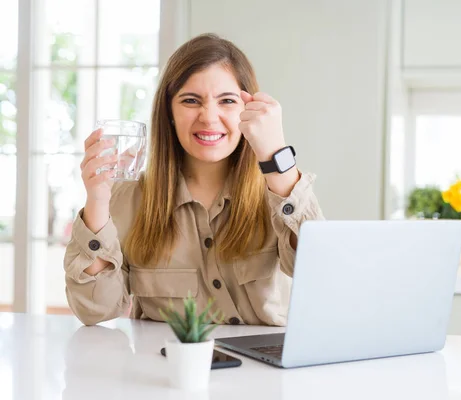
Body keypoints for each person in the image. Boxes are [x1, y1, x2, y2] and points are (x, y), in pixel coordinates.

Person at [63, 33, 324, 326]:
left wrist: (277, 155)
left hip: (268, 371)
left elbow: (321, 278)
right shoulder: (130, 198)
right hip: (167, 367)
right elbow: (95, 310)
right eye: (191, 100)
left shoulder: (279, 191)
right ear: (170, 113)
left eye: (227, 100)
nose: (209, 117)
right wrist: (97, 200)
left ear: (248, 109)